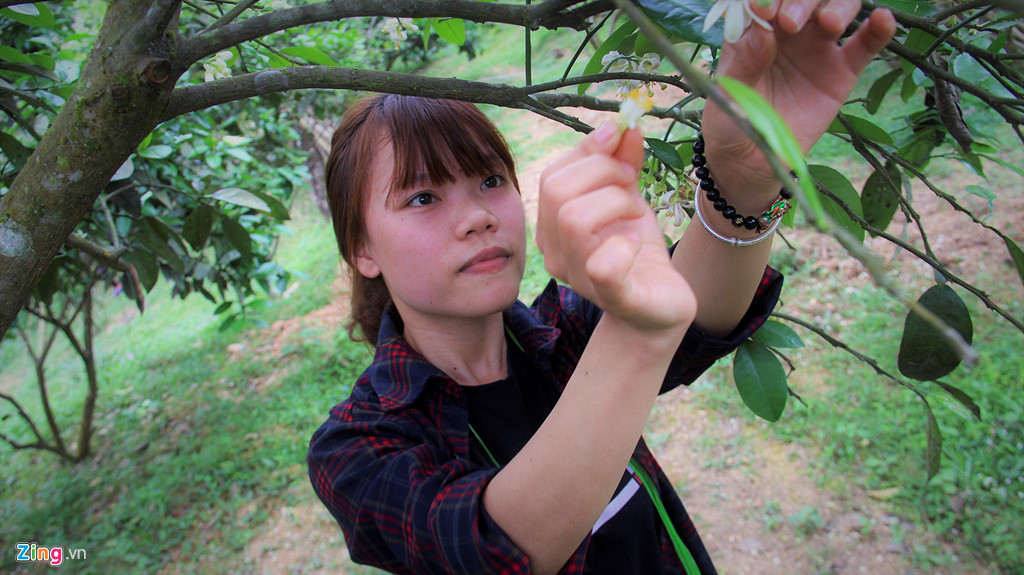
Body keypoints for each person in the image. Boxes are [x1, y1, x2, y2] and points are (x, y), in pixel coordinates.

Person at [307, 1, 896, 573]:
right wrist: (637, 332)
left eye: (490, 179)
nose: (478, 217)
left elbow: (700, 314)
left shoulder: (557, 332)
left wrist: (744, 179)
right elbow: (494, 550)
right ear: (362, 248)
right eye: (423, 197)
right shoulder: (357, 449)